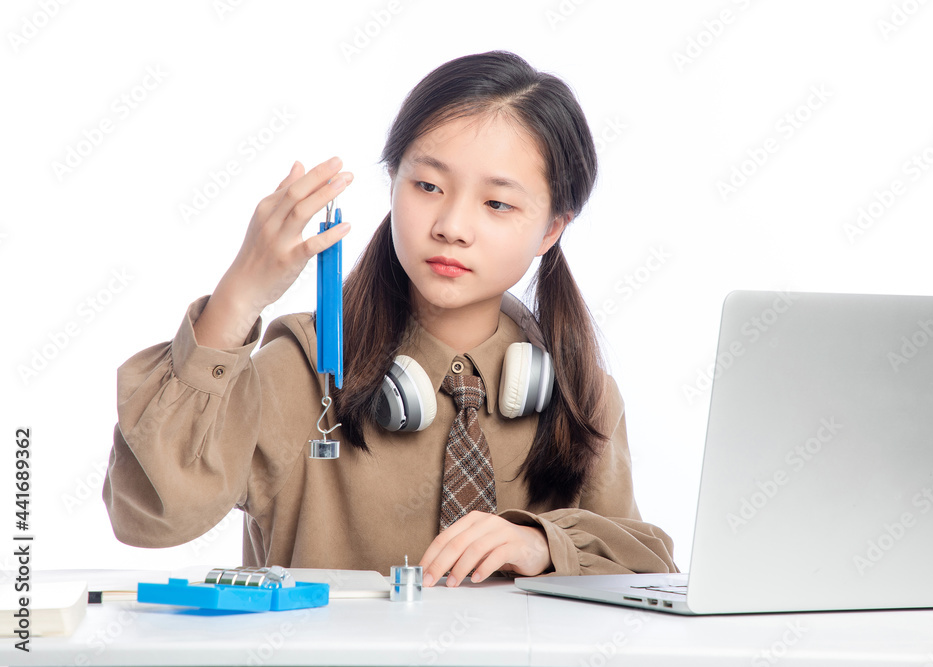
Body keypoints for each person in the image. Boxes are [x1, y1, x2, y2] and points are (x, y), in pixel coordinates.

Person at [103, 50, 678, 588]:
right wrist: (236, 300)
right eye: (427, 185)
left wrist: (544, 543)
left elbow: (646, 570)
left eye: (497, 203)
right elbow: (151, 516)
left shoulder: (578, 391)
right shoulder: (303, 372)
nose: (451, 224)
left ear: (551, 228)